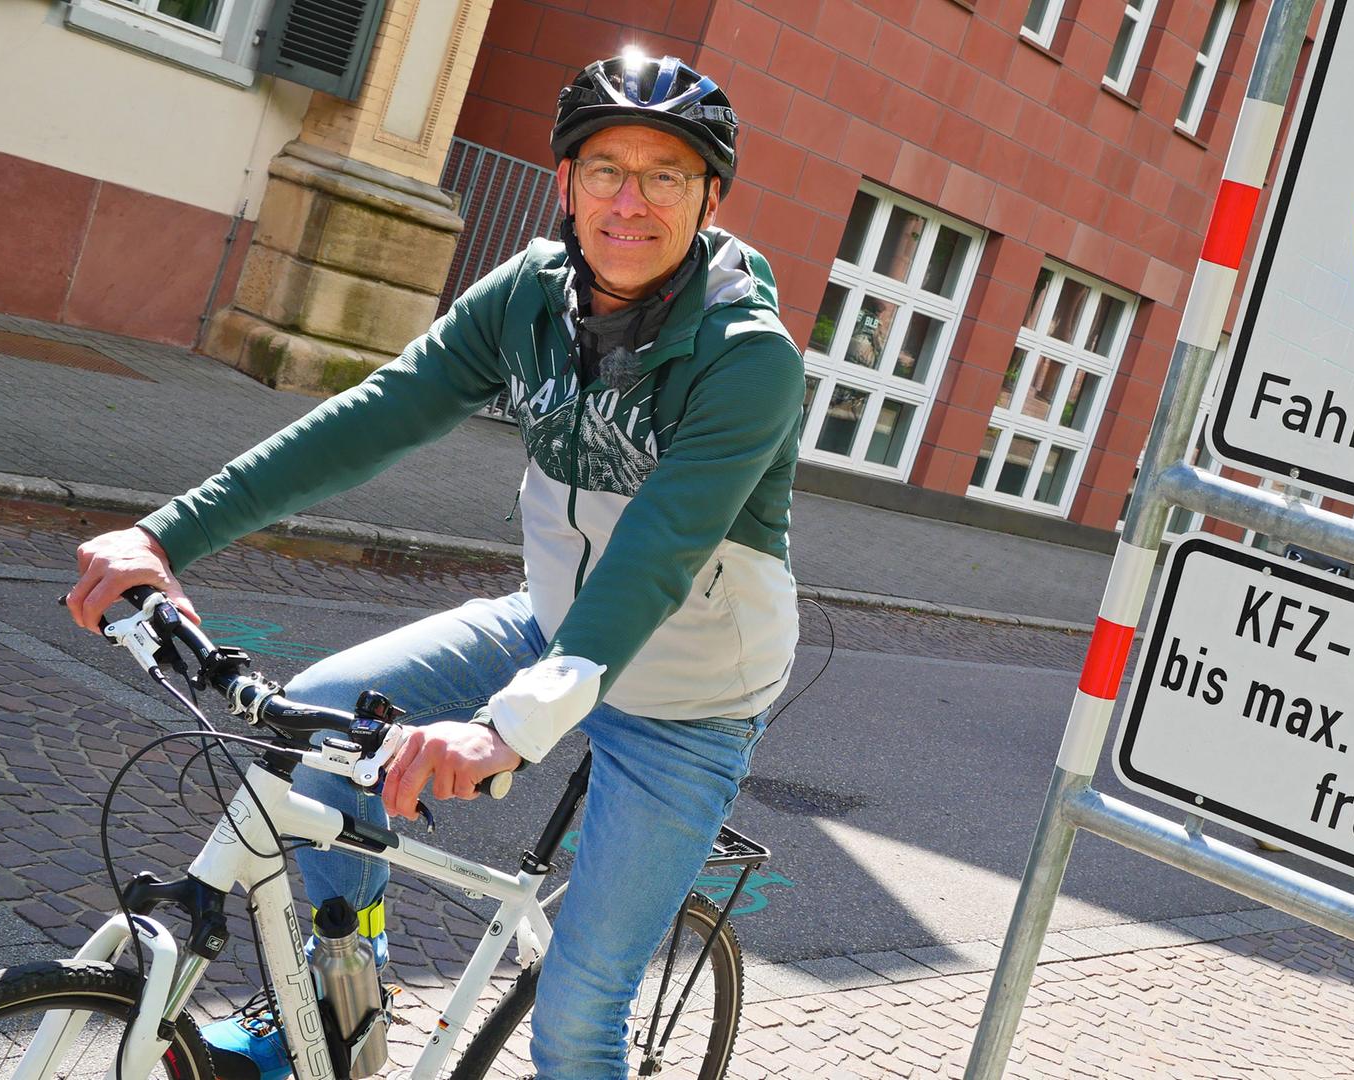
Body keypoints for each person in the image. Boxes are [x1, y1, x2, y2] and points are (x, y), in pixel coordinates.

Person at [64, 49, 804, 1080]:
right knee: (324, 718)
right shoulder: (530, 298)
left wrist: (506, 729)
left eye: (665, 176)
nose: (629, 201)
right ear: (566, 182)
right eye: (605, 169)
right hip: (552, 624)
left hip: (690, 700)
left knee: (579, 1019)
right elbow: (379, 415)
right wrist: (166, 535)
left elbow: (655, 556)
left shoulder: (749, 356)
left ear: (709, 198)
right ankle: (344, 996)